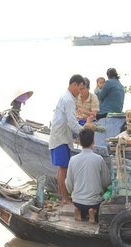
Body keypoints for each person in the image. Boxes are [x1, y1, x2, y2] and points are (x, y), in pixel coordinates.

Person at [49, 74, 93, 204]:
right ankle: (64, 198)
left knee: (63, 168)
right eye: (79, 89)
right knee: (63, 168)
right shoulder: (68, 99)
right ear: (74, 85)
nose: (80, 93)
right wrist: (85, 131)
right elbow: (72, 123)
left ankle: (62, 195)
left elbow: (71, 121)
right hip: (60, 137)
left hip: (61, 136)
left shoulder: (68, 97)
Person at [65, 128, 111, 223]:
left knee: (80, 204)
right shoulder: (99, 159)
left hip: (77, 201)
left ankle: (79, 211)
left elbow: (68, 183)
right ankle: (93, 212)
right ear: (93, 141)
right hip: (94, 202)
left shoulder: (72, 160)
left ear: (80, 142)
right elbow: (107, 182)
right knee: (100, 205)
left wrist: (73, 193)